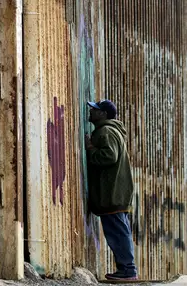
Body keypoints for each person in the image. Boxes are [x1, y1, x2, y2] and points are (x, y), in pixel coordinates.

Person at [85, 100, 138, 281]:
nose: (92, 111)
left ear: (104, 114)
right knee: (119, 231)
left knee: (118, 232)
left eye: (96, 109)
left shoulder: (106, 131)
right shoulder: (111, 130)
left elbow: (109, 156)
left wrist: (90, 149)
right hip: (115, 192)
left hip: (112, 193)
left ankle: (128, 271)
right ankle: (127, 269)